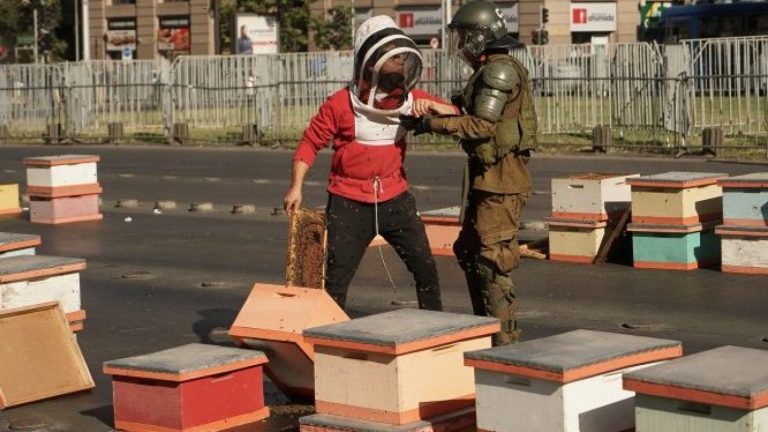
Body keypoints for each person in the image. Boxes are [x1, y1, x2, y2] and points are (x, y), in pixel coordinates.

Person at [283, 16, 456, 311]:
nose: (401, 61)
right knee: (335, 281)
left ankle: (435, 329)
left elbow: (458, 119)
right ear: (372, 61)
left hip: (396, 198)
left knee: (426, 270)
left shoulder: (414, 101)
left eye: (403, 55)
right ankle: (327, 342)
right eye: (393, 55)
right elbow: (310, 142)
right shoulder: (340, 104)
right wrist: (296, 186)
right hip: (348, 202)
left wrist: (442, 108)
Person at [400, 0, 537, 345]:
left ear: (480, 35)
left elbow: (480, 125)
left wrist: (430, 124)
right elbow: (468, 110)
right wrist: (435, 109)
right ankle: (488, 331)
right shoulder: (490, 68)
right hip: (487, 178)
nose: (461, 45)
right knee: (468, 250)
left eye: (464, 36)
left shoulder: (499, 70)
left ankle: (506, 345)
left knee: (492, 262)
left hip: (502, 183)